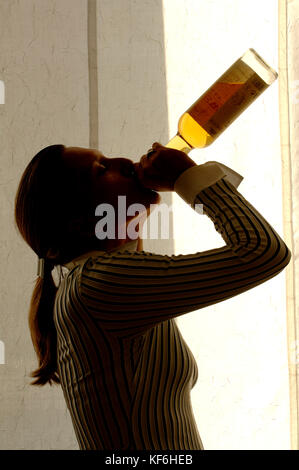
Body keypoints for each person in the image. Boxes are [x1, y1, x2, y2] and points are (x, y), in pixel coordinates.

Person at [14, 142, 291, 450]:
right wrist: (187, 176)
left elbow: (128, 247)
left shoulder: (95, 282)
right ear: (79, 220)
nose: (124, 159)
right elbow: (263, 252)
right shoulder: (99, 284)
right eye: (102, 169)